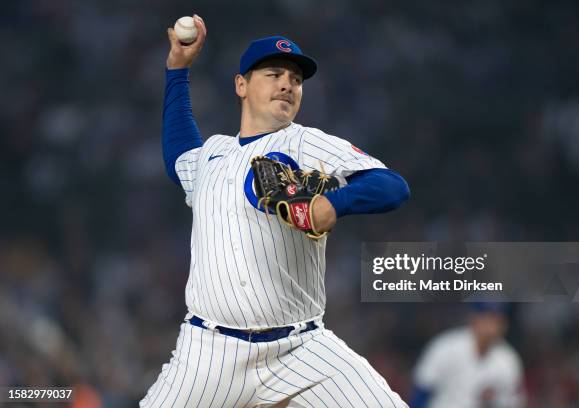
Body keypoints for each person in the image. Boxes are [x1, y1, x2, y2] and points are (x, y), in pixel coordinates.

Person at [140, 14, 410, 408]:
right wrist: (177, 71)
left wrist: (332, 204)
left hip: (301, 348)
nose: (288, 83)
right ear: (241, 85)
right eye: (274, 73)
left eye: (296, 79)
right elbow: (179, 155)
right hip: (209, 353)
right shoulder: (213, 152)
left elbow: (392, 186)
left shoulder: (305, 143)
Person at [409, 303, 525, 408]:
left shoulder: (508, 360)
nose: (491, 326)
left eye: (496, 320)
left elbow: (512, 402)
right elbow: (422, 390)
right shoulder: (446, 346)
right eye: (486, 318)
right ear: (473, 319)